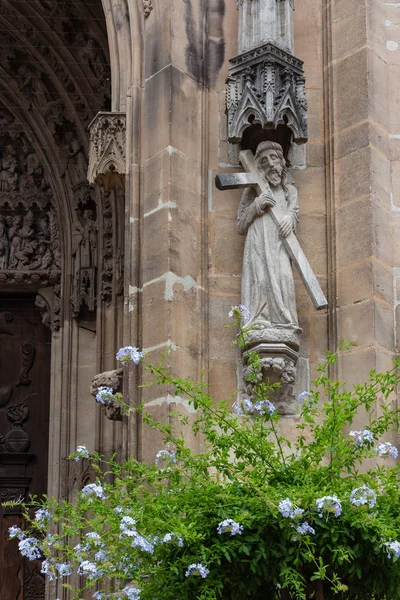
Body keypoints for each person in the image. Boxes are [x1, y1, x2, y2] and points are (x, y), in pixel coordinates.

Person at [237, 140, 301, 343]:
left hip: (281, 244)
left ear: (282, 163)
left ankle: (285, 322)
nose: (270, 164)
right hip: (258, 244)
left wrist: (290, 219)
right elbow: (240, 224)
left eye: (274, 159)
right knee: (261, 282)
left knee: (284, 278)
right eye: (264, 161)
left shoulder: (290, 191)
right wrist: (257, 205)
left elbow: (294, 214)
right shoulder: (253, 190)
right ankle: (259, 321)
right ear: (258, 167)